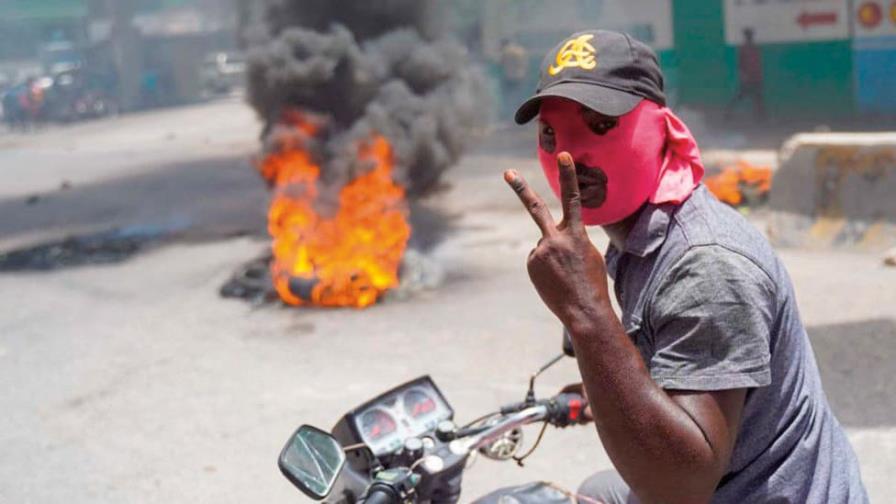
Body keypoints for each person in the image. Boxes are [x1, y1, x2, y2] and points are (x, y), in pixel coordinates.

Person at [502, 29, 868, 503]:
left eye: (601, 126)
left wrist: (585, 310)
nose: (570, 154)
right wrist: (611, 385)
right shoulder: (639, 234)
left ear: (663, 130)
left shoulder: (707, 264)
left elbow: (679, 488)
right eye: (551, 134)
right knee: (597, 489)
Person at [726, 28, 764, 120]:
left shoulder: (750, 48)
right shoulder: (747, 49)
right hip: (750, 78)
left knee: (756, 98)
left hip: (753, 77)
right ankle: (728, 114)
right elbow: (741, 64)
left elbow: (755, 64)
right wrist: (744, 75)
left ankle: (761, 117)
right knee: (750, 97)